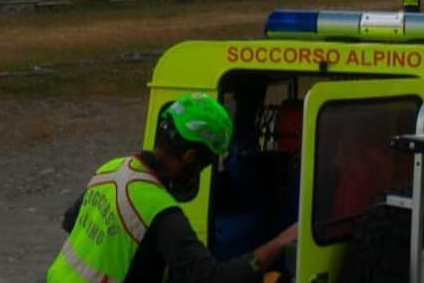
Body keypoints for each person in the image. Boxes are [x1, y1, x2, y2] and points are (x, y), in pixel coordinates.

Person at [47, 93, 298, 283]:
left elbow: (71, 221)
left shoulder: (112, 168)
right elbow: (212, 278)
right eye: (206, 163)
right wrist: (280, 241)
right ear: (190, 156)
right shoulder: (160, 211)